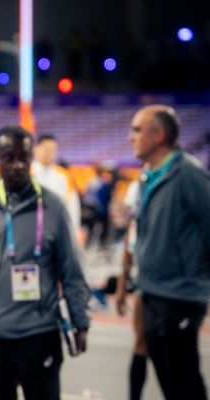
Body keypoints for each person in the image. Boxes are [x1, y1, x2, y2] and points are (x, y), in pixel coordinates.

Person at [0, 125, 90, 400]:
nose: (18, 165)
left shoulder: (54, 207)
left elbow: (72, 270)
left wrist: (80, 320)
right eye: (9, 157)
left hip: (38, 336)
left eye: (25, 157)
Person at [127, 104, 210, 400]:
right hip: (152, 293)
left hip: (180, 296)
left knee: (184, 381)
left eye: (137, 129)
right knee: (168, 380)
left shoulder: (188, 174)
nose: (130, 137)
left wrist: (195, 278)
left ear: (159, 134)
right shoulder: (149, 175)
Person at [115, 177, 148, 400]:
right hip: (145, 283)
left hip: (175, 289)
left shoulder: (184, 178)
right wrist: (122, 281)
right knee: (141, 345)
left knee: (177, 360)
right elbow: (131, 234)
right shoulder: (140, 185)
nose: (131, 138)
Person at [31, 134, 81, 236]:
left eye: (53, 150)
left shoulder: (64, 175)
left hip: (56, 230)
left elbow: (72, 206)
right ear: (36, 149)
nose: (49, 153)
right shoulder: (27, 173)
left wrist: (74, 231)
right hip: (31, 228)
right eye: (46, 149)